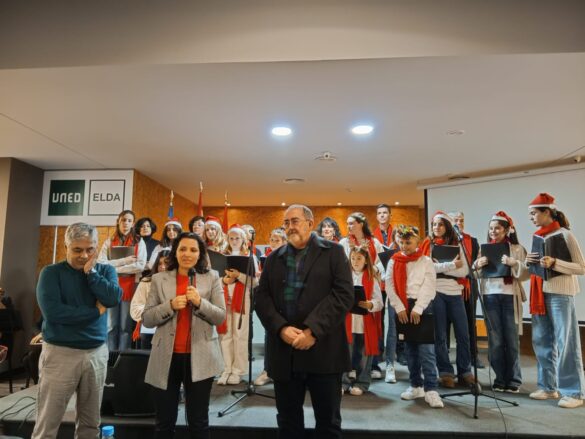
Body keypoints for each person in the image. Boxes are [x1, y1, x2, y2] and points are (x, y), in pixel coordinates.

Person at [255, 204, 354, 438]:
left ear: (310, 224)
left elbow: (343, 295)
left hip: (324, 350)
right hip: (284, 352)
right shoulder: (273, 258)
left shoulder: (333, 252)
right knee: (288, 424)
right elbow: (262, 298)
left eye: (295, 221)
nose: (290, 227)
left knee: (328, 424)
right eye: (286, 223)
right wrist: (281, 328)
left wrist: (312, 331)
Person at [32, 222, 122, 439]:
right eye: (77, 250)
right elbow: (54, 313)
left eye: (90, 249)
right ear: (66, 247)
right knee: (47, 423)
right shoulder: (51, 273)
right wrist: (95, 312)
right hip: (60, 353)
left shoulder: (105, 270)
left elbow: (113, 298)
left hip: (96, 353)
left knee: (91, 425)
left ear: (96, 247)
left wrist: (92, 273)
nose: (84, 255)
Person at [142, 232, 225, 438]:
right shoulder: (159, 279)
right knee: (164, 422)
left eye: (193, 250)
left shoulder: (212, 277)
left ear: (200, 254)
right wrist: (169, 305)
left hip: (201, 356)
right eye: (183, 249)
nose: (187, 254)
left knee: (198, 422)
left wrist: (200, 303)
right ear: (175, 252)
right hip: (165, 356)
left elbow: (220, 317)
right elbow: (147, 318)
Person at [524, 193, 585, 408]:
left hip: (560, 294)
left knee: (565, 342)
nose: (531, 218)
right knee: (542, 341)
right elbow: (536, 268)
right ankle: (548, 387)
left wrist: (555, 263)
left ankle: (574, 393)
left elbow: (581, 267)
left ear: (547, 212)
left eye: (534, 213)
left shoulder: (565, 235)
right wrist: (529, 262)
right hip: (540, 293)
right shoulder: (538, 236)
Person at [385, 225, 443, 408]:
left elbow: (429, 286)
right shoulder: (394, 261)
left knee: (426, 350)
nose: (404, 246)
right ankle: (416, 385)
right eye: (401, 242)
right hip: (402, 306)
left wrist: (418, 308)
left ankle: (431, 389)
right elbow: (389, 285)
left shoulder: (425, 261)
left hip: (422, 307)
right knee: (410, 349)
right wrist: (399, 307)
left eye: (408, 242)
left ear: (417, 241)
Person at [474, 211, 528, 393]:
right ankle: (500, 378)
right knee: (495, 340)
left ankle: (514, 379)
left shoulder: (517, 249)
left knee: (511, 340)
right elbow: (475, 274)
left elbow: (527, 273)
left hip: (510, 296)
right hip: (490, 297)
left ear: (506, 230)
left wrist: (514, 263)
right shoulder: (484, 249)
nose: (493, 231)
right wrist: (477, 265)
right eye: (491, 228)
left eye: (497, 228)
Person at [421, 211, 474, 388]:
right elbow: (428, 269)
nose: (436, 227)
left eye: (440, 224)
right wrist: (451, 265)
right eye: (434, 224)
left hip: (455, 293)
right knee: (440, 336)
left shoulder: (457, 244)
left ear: (447, 226)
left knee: (463, 334)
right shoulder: (428, 244)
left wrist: (441, 267)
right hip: (436, 292)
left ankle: (465, 372)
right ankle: (445, 372)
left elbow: (464, 271)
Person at [339, 212, 385, 378]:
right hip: (349, 281)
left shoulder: (374, 242)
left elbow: (381, 263)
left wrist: (370, 270)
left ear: (361, 224)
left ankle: (371, 367)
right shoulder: (344, 242)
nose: (349, 226)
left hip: (369, 284)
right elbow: (340, 263)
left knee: (368, 335)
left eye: (352, 223)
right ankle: (349, 371)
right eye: (347, 223)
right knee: (348, 341)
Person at [98, 210, 146, 351]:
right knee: (111, 325)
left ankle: (123, 355)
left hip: (130, 287)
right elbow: (101, 263)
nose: (126, 223)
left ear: (133, 224)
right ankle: (110, 355)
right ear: (118, 222)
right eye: (123, 220)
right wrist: (124, 261)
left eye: (129, 221)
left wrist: (113, 267)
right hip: (111, 286)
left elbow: (140, 265)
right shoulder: (109, 241)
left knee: (126, 326)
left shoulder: (139, 241)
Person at [216, 225, 259, 385]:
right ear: (227, 239)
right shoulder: (222, 256)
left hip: (242, 299)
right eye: (231, 238)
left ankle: (238, 371)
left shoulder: (249, 257)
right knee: (225, 335)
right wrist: (224, 280)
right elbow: (215, 279)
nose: (234, 241)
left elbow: (254, 282)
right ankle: (226, 368)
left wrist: (238, 275)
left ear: (243, 240)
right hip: (224, 297)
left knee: (240, 335)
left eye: (237, 238)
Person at [343, 245, 383, 395]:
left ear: (366, 260)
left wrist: (370, 304)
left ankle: (362, 383)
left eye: (359, 258)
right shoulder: (344, 277)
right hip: (348, 321)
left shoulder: (371, 278)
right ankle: (344, 382)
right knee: (345, 353)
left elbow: (379, 302)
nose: (355, 261)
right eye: (353, 258)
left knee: (364, 356)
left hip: (365, 323)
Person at [448, 210, 484, 369]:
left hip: (469, 286)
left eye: (461, 220)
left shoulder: (472, 241)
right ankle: (444, 357)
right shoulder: (445, 241)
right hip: (449, 286)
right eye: (455, 220)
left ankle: (472, 356)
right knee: (445, 324)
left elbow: (476, 264)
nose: (459, 223)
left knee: (470, 322)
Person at [254, 227, 287, 387]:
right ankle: (268, 370)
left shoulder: (290, 257)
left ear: (284, 242)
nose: (273, 243)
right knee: (270, 336)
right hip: (272, 303)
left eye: (277, 240)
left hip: (287, 303)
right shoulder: (267, 258)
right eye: (272, 240)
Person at [130, 250, 170, 349]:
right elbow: (135, 309)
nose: (163, 267)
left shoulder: (179, 283)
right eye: (160, 263)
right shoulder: (146, 282)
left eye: (166, 263)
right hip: (149, 329)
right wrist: (154, 312)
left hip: (170, 330)